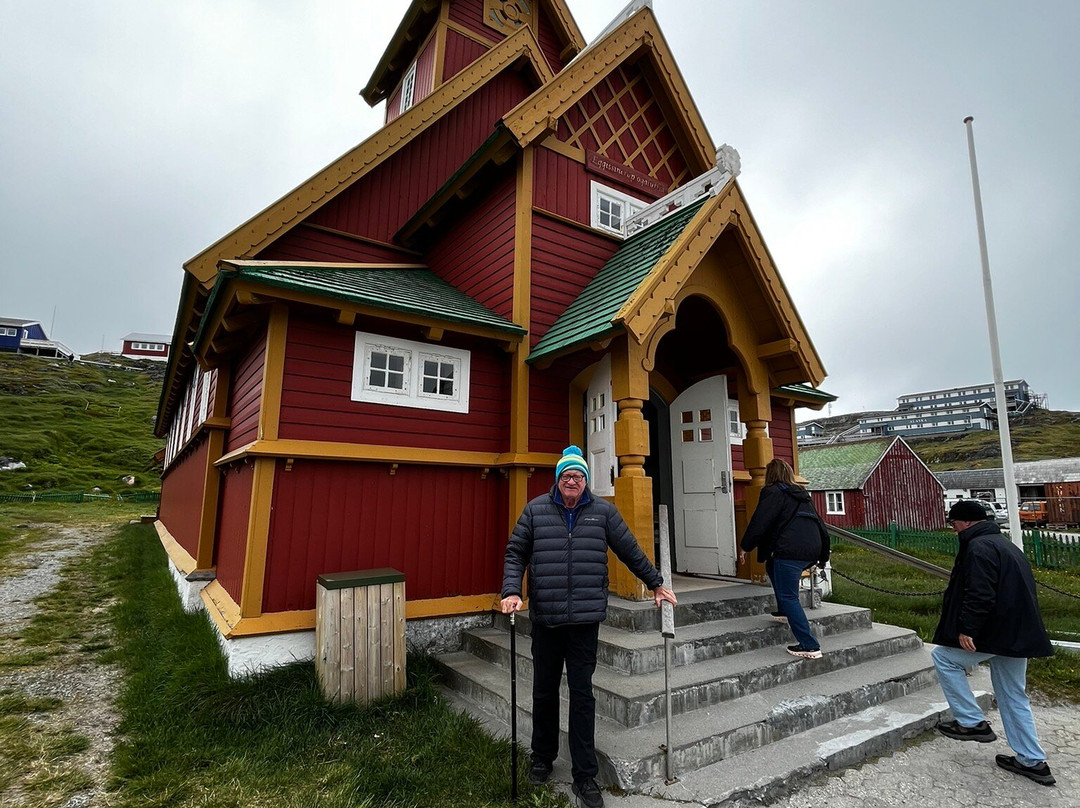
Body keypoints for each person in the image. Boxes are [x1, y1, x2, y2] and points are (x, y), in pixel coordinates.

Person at [500, 445, 677, 808]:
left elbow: (630, 549)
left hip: (584, 622)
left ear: (585, 480)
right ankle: (542, 758)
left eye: (578, 476)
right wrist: (511, 590)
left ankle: (585, 775)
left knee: (582, 696)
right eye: (567, 475)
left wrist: (656, 582)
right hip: (547, 618)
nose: (572, 481)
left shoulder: (603, 513)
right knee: (544, 692)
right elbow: (516, 552)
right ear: (558, 479)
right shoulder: (535, 510)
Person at [930, 499, 1056, 786]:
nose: (953, 528)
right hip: (1017, 632)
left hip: (996, 631)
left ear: (966, 522)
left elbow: (980, 593)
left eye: (954, 523)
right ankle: (1032, 761)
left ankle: (971, 722)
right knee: (1013, 695)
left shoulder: (979, 547)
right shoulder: (1005, 544)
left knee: (944, 658)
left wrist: (967, 629)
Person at [737, 458, 830, 660]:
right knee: (772, 566)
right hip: (811, 549)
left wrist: (745, 546)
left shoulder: (772, 492)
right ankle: (783, 610)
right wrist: (823, 555)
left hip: (790, 551)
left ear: (770, 475)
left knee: (790, 597)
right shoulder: (802, 495)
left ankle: (809, 645)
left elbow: (759, 522)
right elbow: (820, 525)